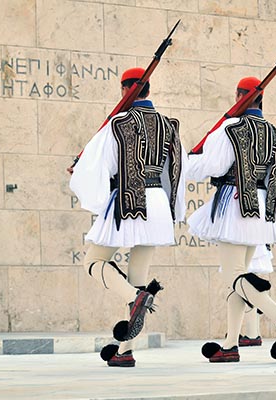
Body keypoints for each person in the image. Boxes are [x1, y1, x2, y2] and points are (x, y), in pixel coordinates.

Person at [70, 67, 186, 367]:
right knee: (138, 277)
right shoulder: (169, 125)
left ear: (125, 90)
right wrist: (173, 210)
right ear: (147, 90)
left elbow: (102, 167)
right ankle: (125, 351)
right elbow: (176, 171)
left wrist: (79, 170)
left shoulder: (119, 123)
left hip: (129, 200)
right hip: (158, 203)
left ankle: (135, 298)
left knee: (94, 261)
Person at [186, 76, 276, 363]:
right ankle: (230, 344)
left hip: (235, 205)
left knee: (234, 275)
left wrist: (187, 162)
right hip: (260, 209)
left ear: (239, 96)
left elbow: (213, 165)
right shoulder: (274, 134)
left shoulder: (230, 128)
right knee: (239, 277)